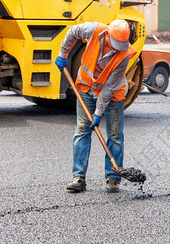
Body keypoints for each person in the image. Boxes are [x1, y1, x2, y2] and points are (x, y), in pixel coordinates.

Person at [55, 19, 136, 193]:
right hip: (85, 89)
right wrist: (63, 54)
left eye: (120, 45)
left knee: (115, 135)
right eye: (114, 43)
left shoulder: (124, 54)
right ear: (107, 34)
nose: (116, 48)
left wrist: (98, 113)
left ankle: (113, 177)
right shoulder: (93, 30)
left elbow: (108, 88)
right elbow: (72, 32)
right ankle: (79, 177)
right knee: (83, 129)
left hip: (113, 95)